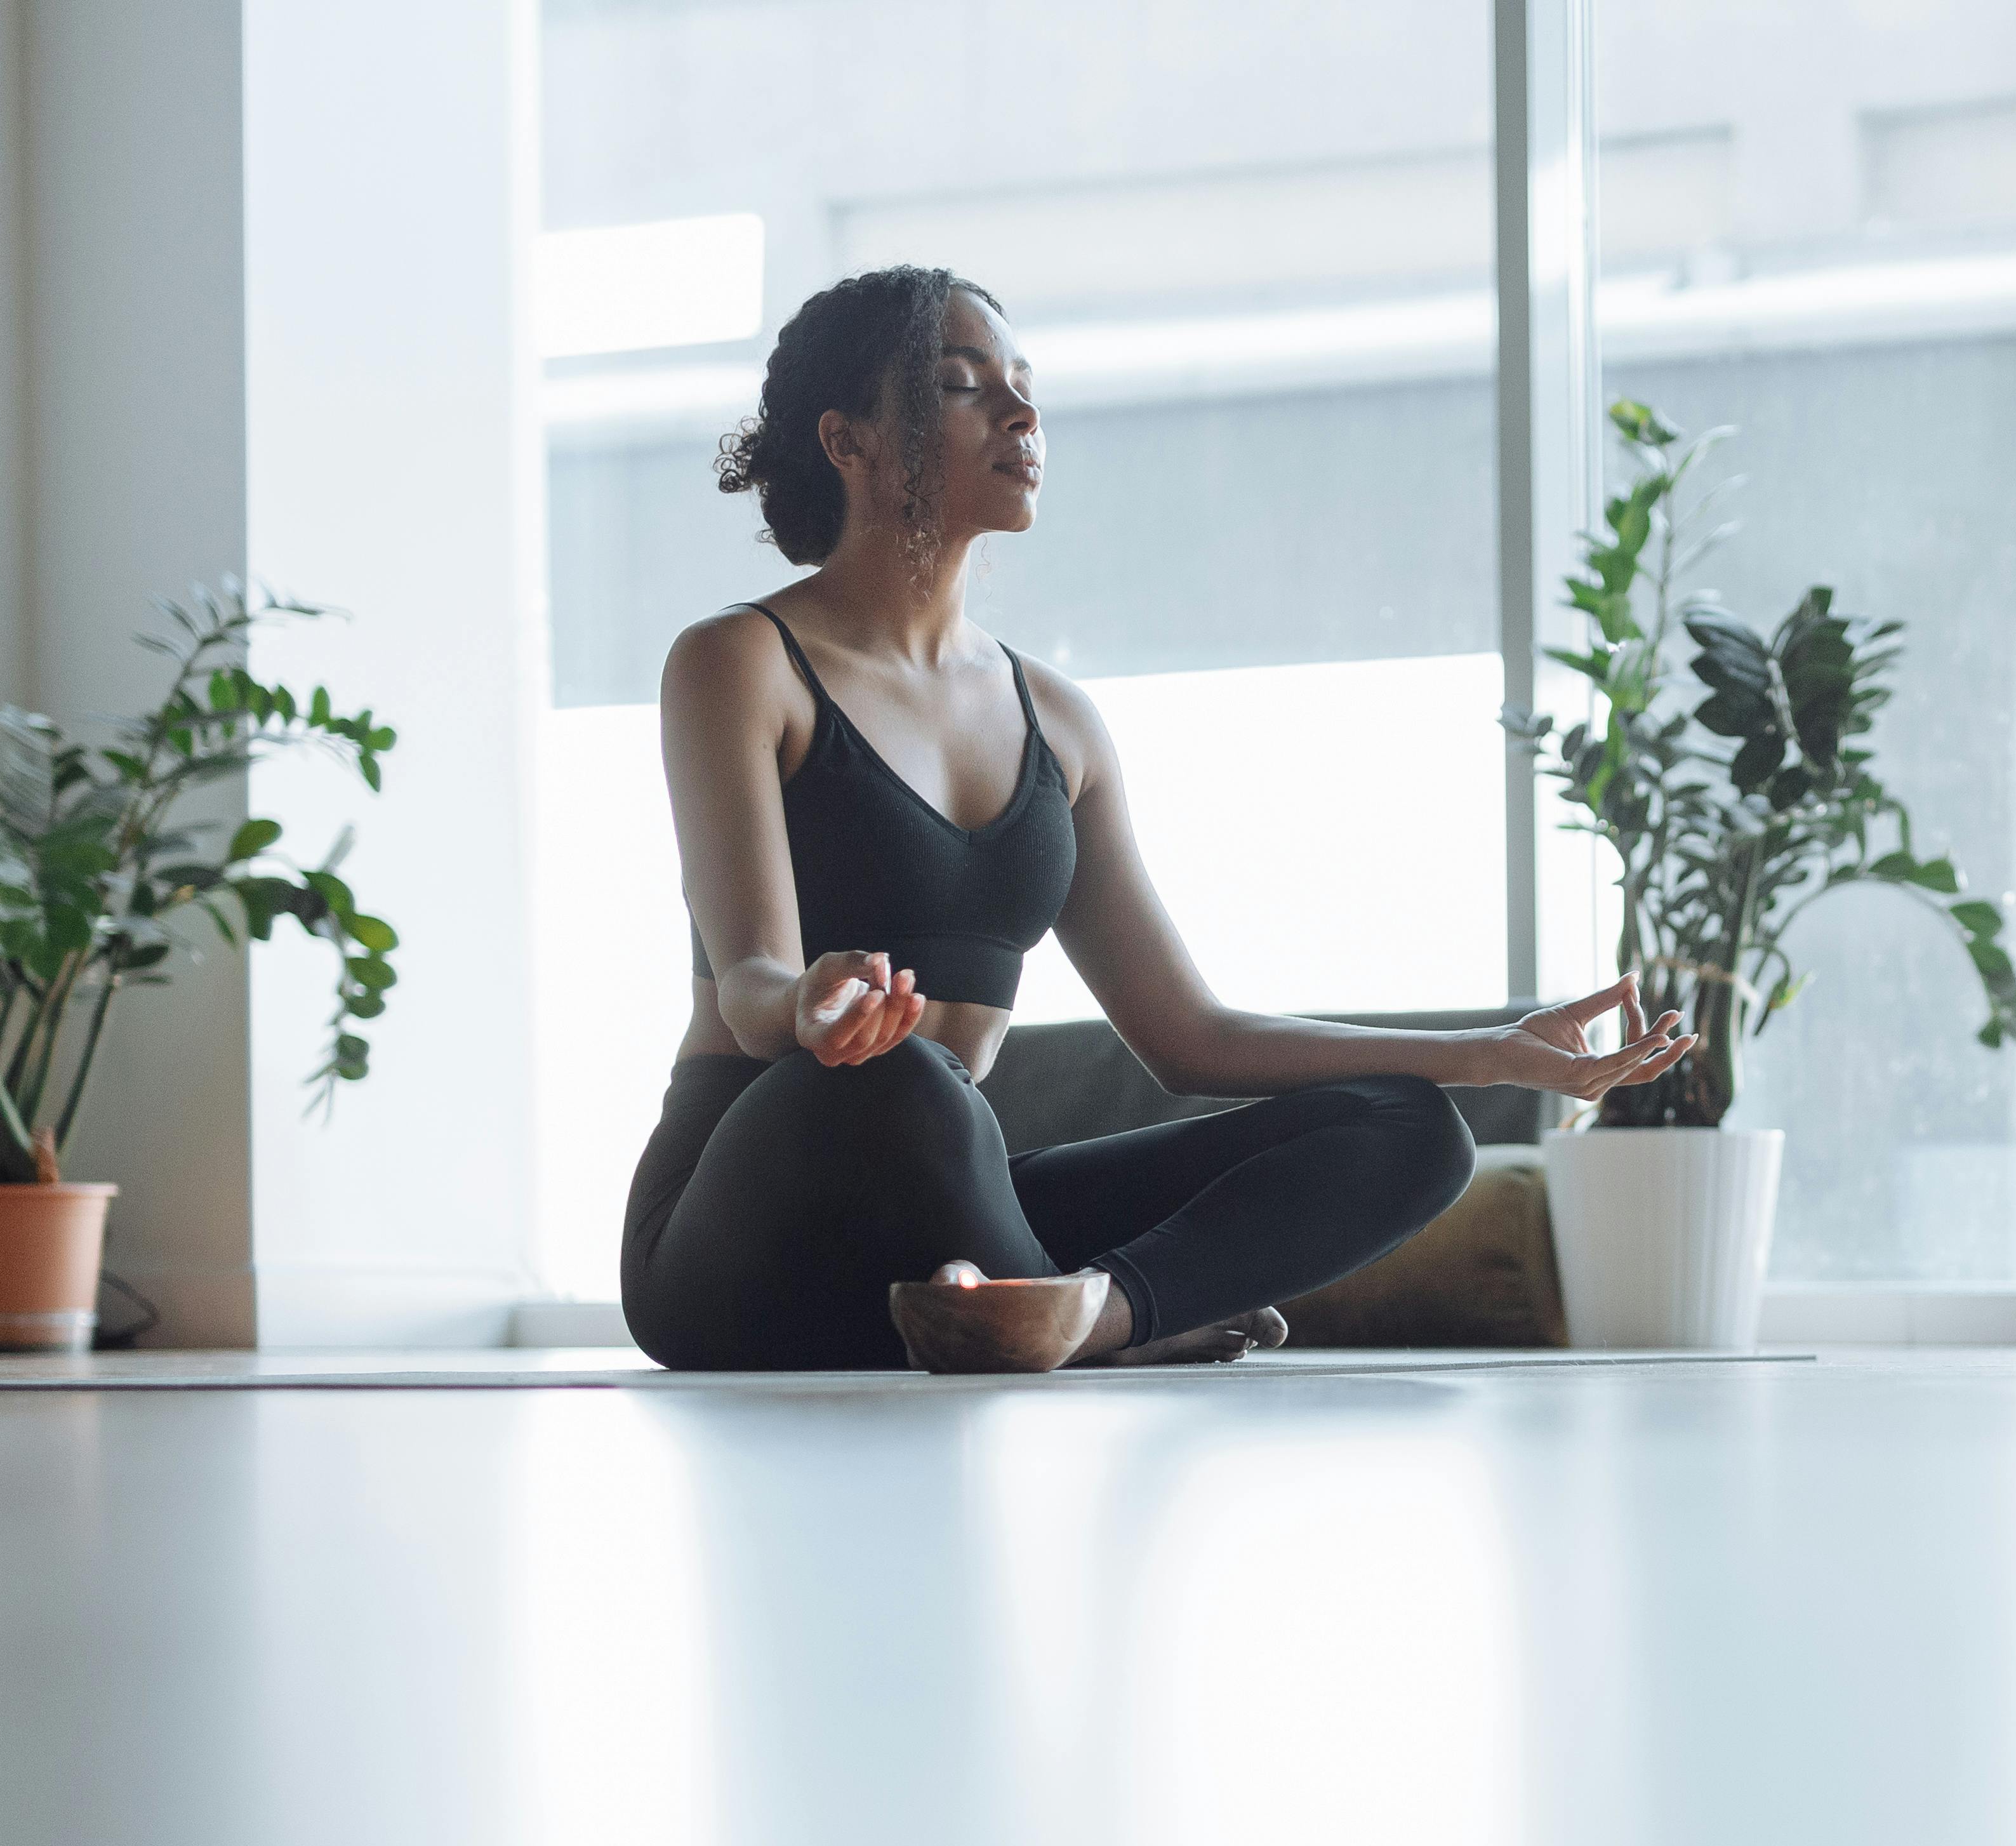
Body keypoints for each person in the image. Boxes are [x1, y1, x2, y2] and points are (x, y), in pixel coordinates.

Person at [623, 263, 1697, 1372]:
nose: (1021, 413)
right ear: (845, 441)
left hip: (957, 1209)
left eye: (1022, 382)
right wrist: (808, 1004)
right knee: (902, 1082)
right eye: (960, 384)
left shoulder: (1062, 726)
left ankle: (1093, 1314)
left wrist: (1486, 1056)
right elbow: (750, 987)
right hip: (740, 1233)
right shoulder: (741, 664)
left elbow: (1191, 1036)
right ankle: (1058, 1308)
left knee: (1412, 1127)